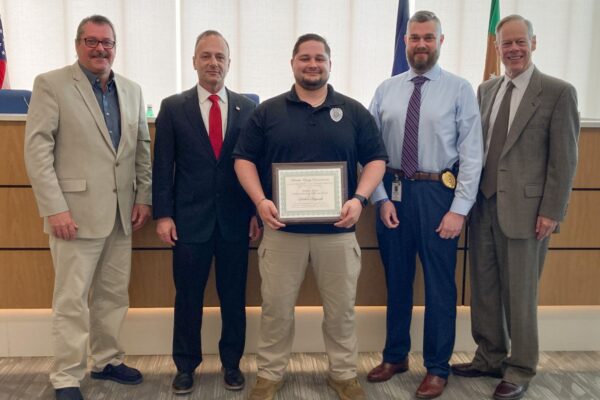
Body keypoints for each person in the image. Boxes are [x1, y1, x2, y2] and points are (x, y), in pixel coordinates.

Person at [233, 33, 387, 400]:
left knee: (341, 312)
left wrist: (359, 198)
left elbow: (377, 160)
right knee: (276, 311)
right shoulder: (267, 112)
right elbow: (243, 160)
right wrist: (259, 201)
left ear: (330, 64)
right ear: (293, 63)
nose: (312, 64)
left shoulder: (353, 111)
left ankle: (344, 375)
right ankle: (269, 376)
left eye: (319, 58)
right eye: (305, 58)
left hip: (338, 232)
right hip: (282, 232)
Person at [451, 14, 579, 400]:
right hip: (484, 206)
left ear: (534, 43)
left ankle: (521, 365)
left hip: (528, 212)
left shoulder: (558, 92)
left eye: (520, 42)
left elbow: (565, 159)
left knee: (521, 293)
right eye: (506, 43)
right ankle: (490, 355)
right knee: (484, 287)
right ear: (497, 48)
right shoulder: (486, 89)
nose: (514, 49)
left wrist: (552, 211)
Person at [24, 15, 152, 400]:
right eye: (92, 41)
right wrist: (54, 208)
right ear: (78, 44)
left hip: (121, 215)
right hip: (73, 216)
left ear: (115, 47)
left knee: (114, 295)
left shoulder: (131, 90)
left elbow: (142, 150)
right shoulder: (52, 85)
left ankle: (107, 360)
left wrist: (143, 196)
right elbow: (37, 151)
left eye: (107, 42)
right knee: (71, 299)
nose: (101, 49)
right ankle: (65, 376)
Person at [367, 10, 483, 399]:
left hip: (439, 197)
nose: (421, 44)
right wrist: (379, 197)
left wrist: (459, 209)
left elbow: (472, 154)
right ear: (405, 42)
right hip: (393, 195)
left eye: (428, 38)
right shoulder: (386, 89)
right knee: (396, 281)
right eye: (414, 37)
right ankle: (395, 354)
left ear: (440, 41)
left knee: (439, 287)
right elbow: (372, 151)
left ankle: (437, 366)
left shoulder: (460, 89)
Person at [152, 30, 260, 395]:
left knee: (234, 297)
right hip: (188, 223)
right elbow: (162, 166)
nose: (213, 63)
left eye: (220, 57)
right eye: (206, 56)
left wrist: (254, 214)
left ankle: (232, 364)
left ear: (229, 63)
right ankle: (185, 365)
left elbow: (254, 166)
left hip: (235, 221)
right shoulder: (173, 107)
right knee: (188, 298)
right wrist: (163, 215)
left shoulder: (249, 108)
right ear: (194, 61)